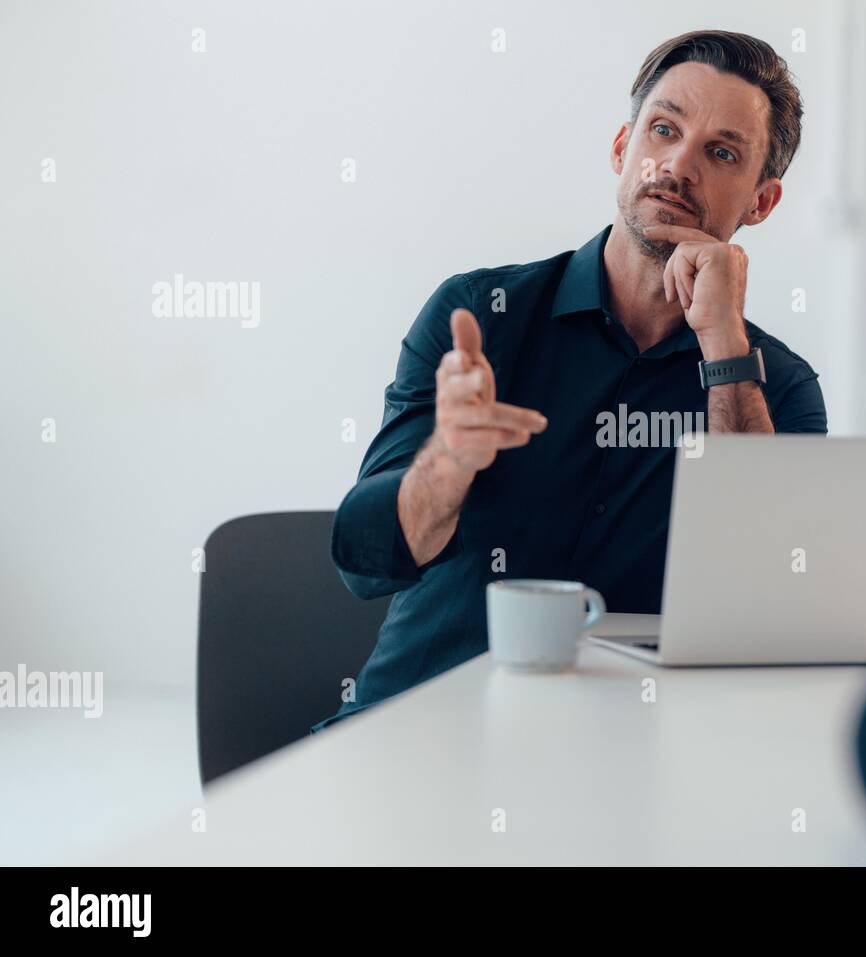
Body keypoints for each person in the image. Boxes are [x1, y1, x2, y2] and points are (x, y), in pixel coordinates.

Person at [312, 29, 827, 733]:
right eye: (664, 129)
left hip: (626, 768)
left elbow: (773, 593)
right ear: (623, 148)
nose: (676, 165)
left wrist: (722, 345)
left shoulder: (780, 389)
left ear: (762, 202)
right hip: (414, 742)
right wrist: (450, 461)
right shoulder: (478, 318)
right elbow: (364, 565)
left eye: (722, 152)